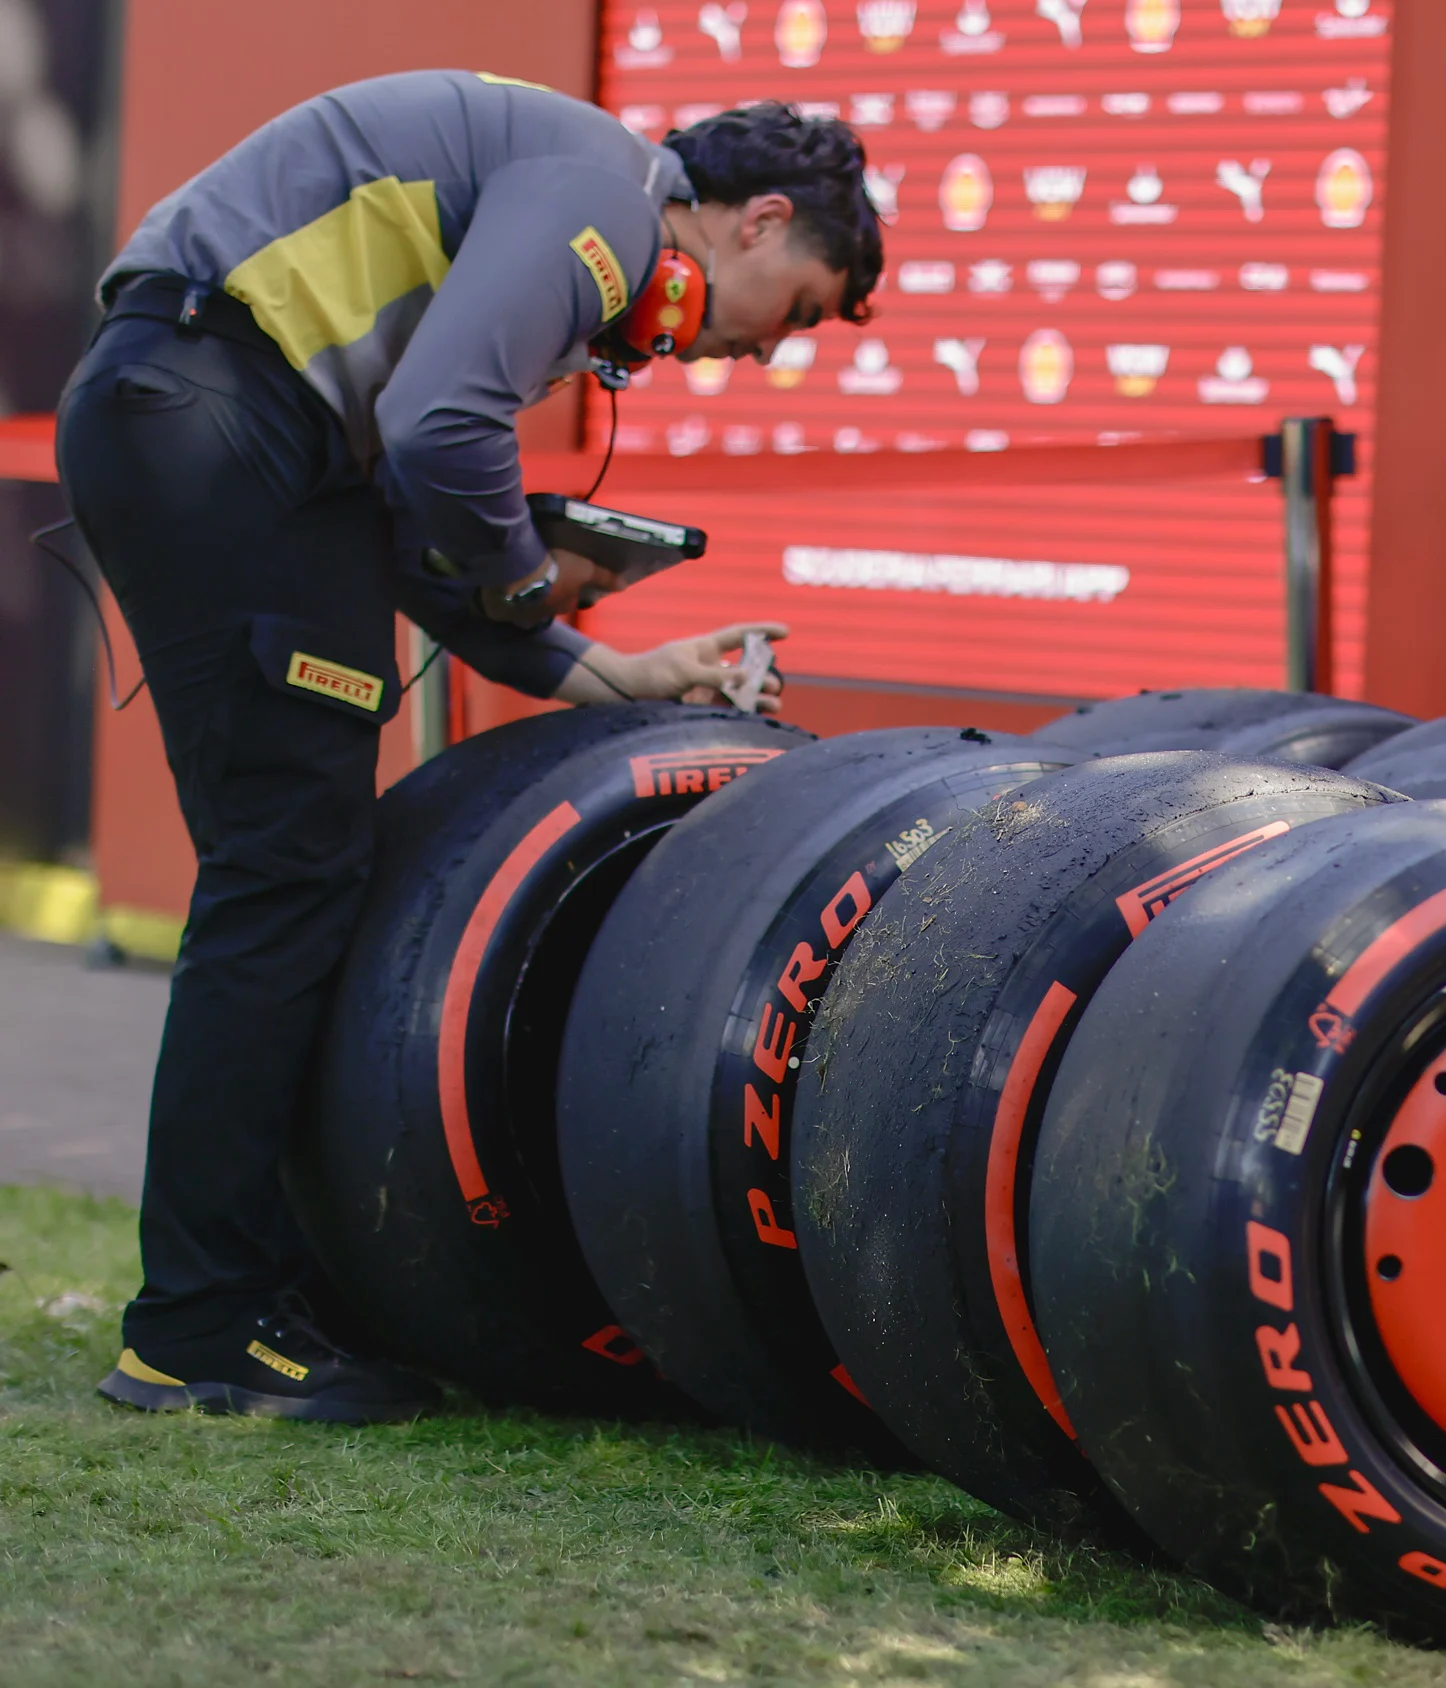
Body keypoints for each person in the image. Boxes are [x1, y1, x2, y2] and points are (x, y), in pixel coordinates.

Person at [56, 71, 885, 1422]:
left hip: (228, 419)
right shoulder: (610, 203)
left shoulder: (576, 196)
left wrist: (609, 670)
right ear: (759, 220)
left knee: (299, 877)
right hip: (221, 409)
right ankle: (198, 1325)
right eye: (791, 311)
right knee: (286, 872)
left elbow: (403, 501)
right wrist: (522, 570)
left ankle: (255, 1290)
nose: (760, 355)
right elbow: (441, 426)